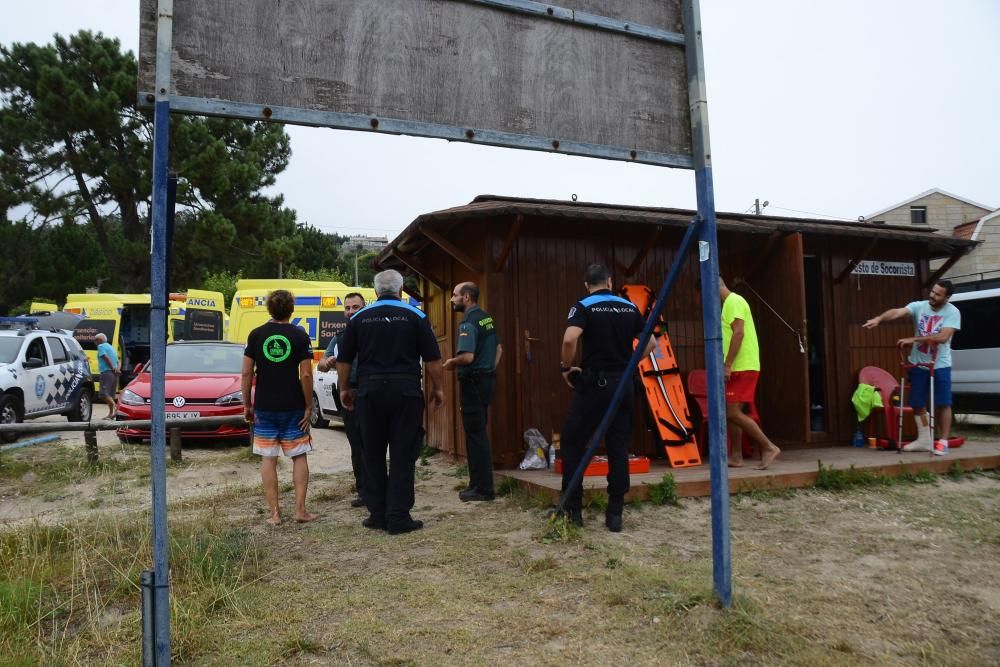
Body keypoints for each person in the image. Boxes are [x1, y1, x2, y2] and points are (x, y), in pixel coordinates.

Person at [337, 269, 445, 535]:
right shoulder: (416, 316)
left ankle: (377, 513)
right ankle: (398, 516)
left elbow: (344, 360)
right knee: (402, 454)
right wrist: (439, 388)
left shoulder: (359, 318)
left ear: (375, 292)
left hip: (369, 392)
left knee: (371, 452)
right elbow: (432, 359)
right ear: (400, 291)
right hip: (405, 391)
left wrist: (345, 389)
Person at [559, 264, 654, 532]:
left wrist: (566, 368)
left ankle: (573, 511)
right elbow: (651, 344)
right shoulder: (628, 307)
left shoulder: (583, 306)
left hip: (595, 384)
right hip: (623, 385)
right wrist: (629, 365)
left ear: (587, 285)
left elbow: (569, 340)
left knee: (572, 441)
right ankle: (615, 514)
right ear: (610, 282)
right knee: (618, 447)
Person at [242, 289, 317, 525]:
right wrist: (308, 405)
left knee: (268, 458)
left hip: (264, 404)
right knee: (298, 455)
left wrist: (247, 404)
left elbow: (246, 372)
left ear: (269, 309)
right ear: (291, 309)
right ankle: (300, 510)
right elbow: (305, 374)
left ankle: (274, 514)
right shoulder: (300, 336)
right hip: (293, 404)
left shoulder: (256, 335)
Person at [863, 280, 960, 454]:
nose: (932, 295)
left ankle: (943, 441)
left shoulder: (953, 312)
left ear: (947, 298)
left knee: (943, 402)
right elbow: (897, 312)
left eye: (938, 294)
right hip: (918, 362)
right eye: (932, 291)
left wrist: (913, 340)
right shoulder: (920, 306)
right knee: (916, 402)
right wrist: (879, 319)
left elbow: (943, 337)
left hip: (940, 364)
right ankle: (924, 439)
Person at [443, 282, 503, 502]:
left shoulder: (468, 323)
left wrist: (451, 362)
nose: (451, 299)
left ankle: (483, 489)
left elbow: (467, 357)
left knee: (475, 436)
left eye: (455, 295)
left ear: (466, 297)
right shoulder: (486, 318)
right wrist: (488, 370)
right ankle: (478, 485)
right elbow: (499, 350)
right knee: (479, 433)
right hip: (486, 381)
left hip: (473, 383)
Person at [719, 277, 781, 470]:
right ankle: (736, 455)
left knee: (731, 412)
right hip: (739, 366)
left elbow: (739, 333)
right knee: (731, 412)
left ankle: (768, 447)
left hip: (742, 366)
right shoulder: (730, 303)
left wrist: (727, 364)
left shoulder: (733, 301)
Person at [317, 292, 367, 508]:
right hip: (347, 392)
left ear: (364, 308)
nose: (351, 311)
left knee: (373, 443)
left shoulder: (371, 332)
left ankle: (379, 488)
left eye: (356, 307)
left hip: (368, 391)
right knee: (356, 445)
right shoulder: (340, 336)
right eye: (347, 308)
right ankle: (363, 491)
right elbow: (321, 364)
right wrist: (328, 361)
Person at [94, 333, 120, 419]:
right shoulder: (111, 347)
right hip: (114, 374)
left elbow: (106, 358)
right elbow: (118, 361)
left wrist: (112, 368)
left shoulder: (101, 346)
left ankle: (116, 408)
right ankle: (110, 414)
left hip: (106, 372)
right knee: (110, 395)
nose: (94, 342)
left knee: (103, 394)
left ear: (99, 340)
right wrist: (117, 369)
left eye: (95, 340)